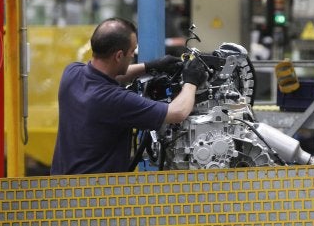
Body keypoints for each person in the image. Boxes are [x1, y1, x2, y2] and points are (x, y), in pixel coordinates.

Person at [50, 17, 207, 175]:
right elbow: (178, 112)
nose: (132, 56)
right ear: (119, 56)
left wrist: (149, 66)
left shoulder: (71, 73)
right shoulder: (114, 100)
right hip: (93, 193)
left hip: (62, 185)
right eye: (132, 52)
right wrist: (191, 82)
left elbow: (109, 75)